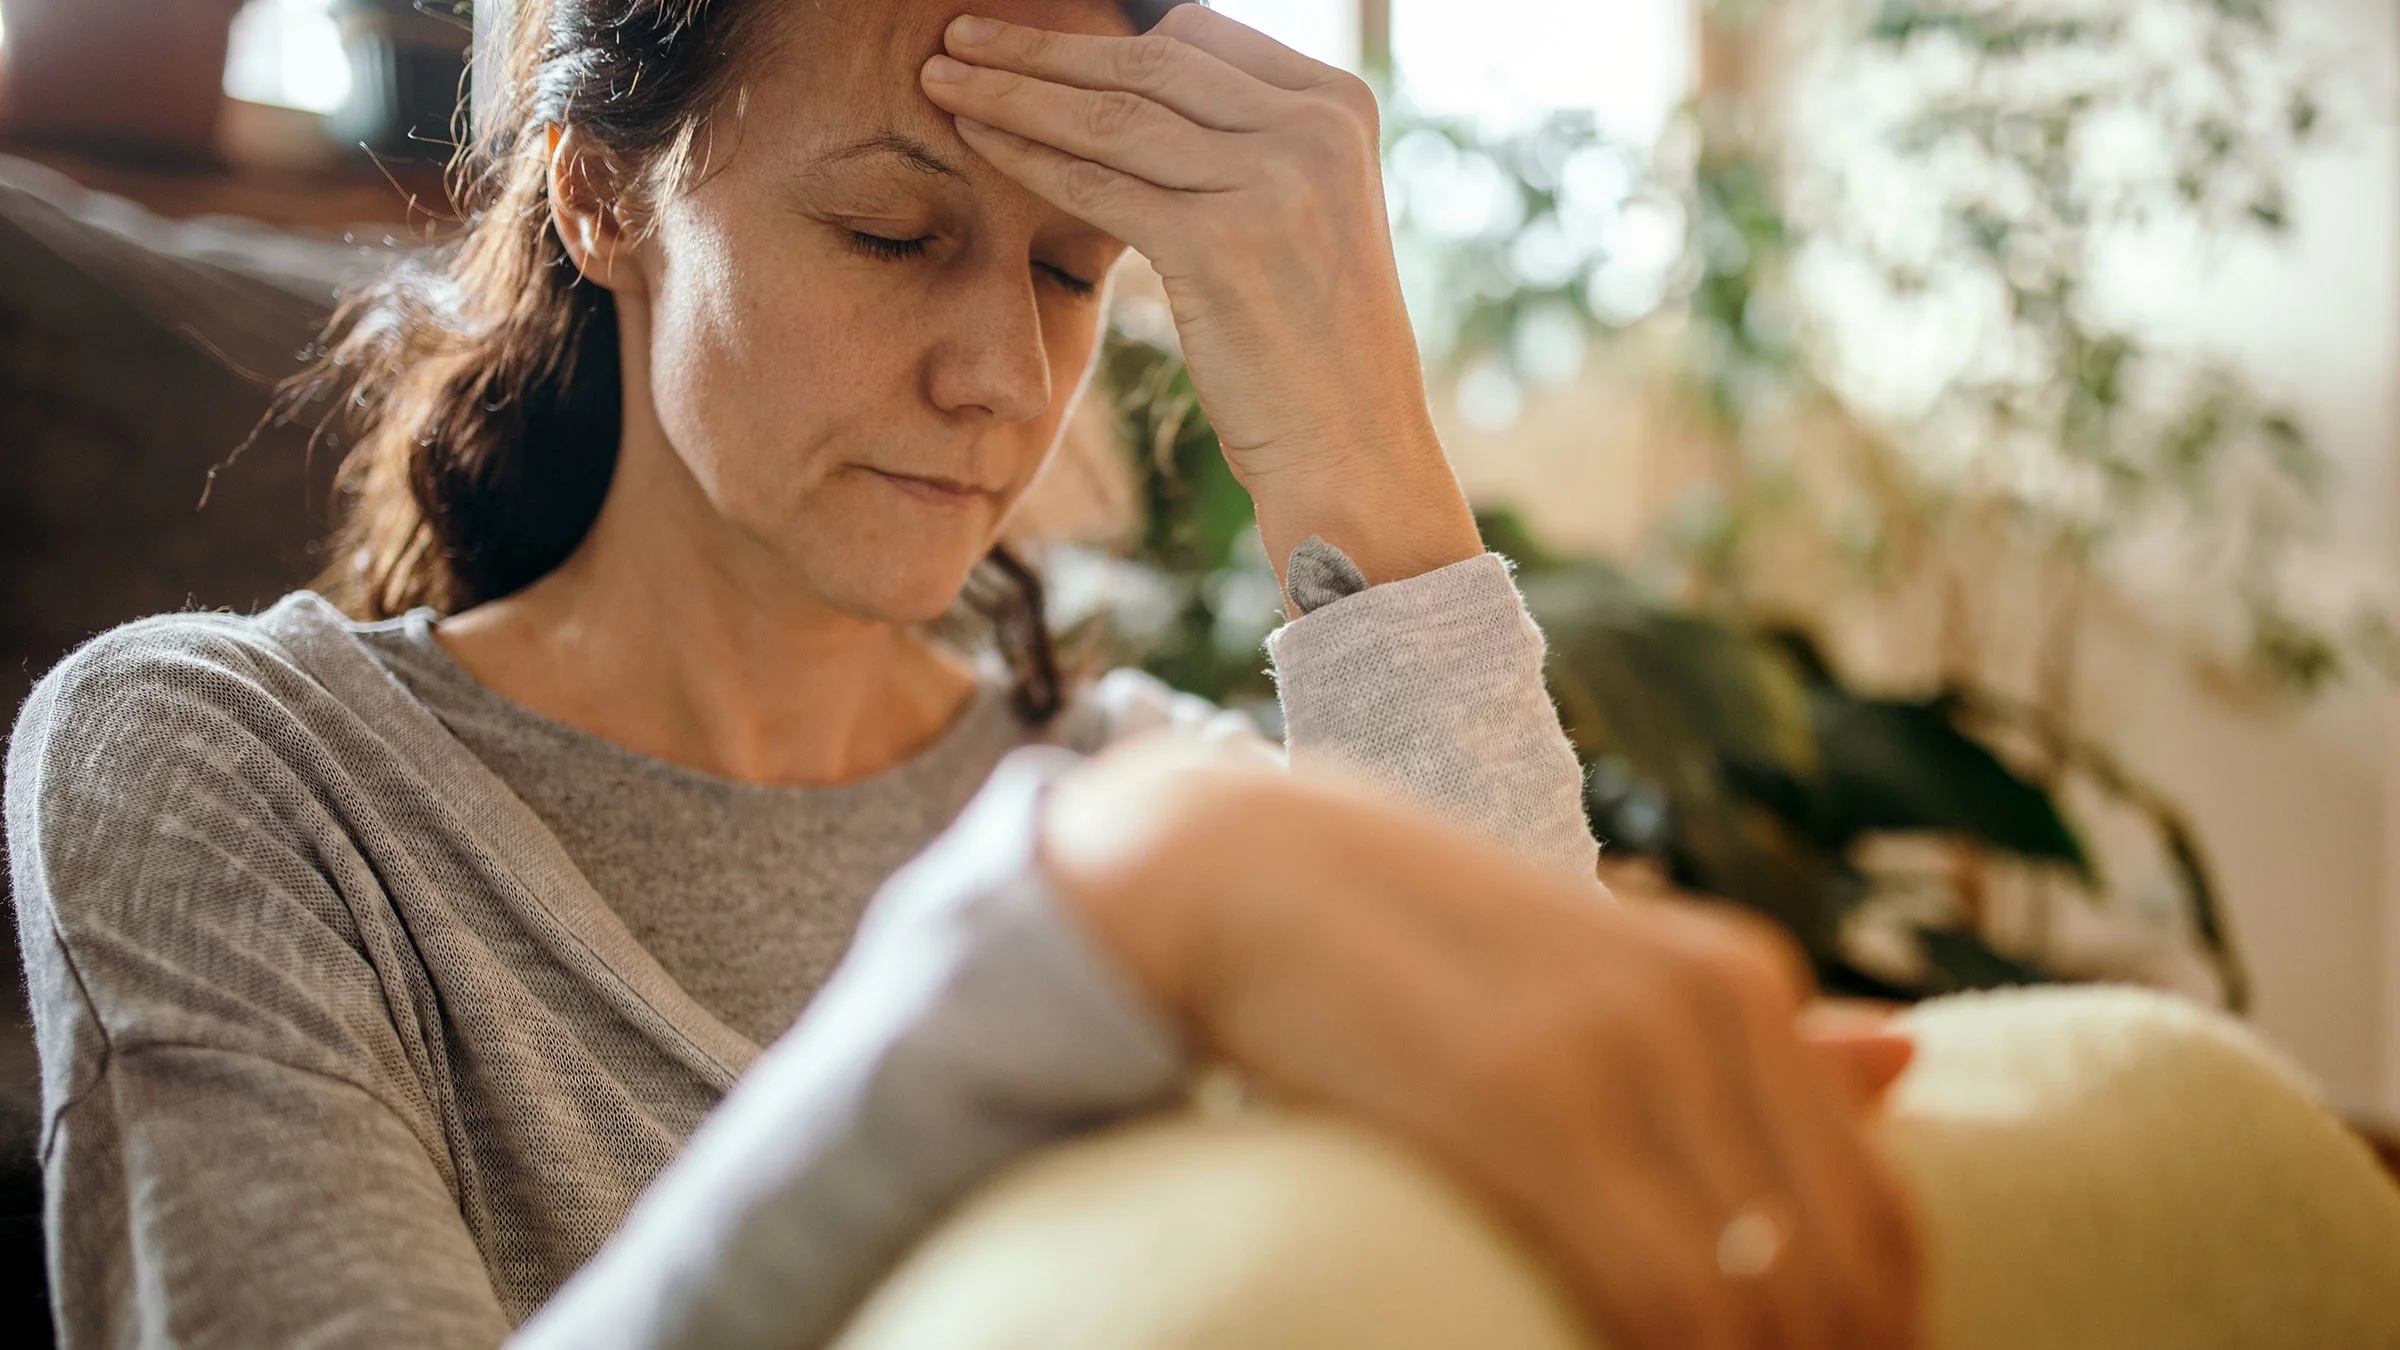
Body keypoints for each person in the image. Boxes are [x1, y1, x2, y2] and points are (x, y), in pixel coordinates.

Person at [3, 2, 1924, 1347]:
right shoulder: (227, 768)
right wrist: (1043, 949)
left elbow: (1552, 1274)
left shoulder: (1159, 799)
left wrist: (1361, 446)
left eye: (1073, 270)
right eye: (890, 229)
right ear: (602, 197)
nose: (1002, 375)